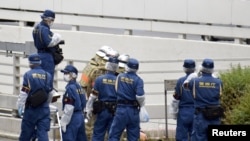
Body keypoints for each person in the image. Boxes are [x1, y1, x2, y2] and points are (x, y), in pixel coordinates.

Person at [183, 58, 223, 141]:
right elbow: (220, 94)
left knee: (199, 136)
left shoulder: (195, 81)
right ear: (212, 69)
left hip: (200, 116)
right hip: (215, 116)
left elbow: (185, 85)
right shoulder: (219, 82)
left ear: (201, 68)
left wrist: (196, 75)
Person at [16, 53, 53, 141]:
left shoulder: (28, 75)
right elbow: (51, 93)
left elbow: (24, 93)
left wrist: (20, 107)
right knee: (43, 135)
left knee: (26, 134)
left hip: (31, 110)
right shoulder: (48, 75)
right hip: (44, 110)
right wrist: (46, 104)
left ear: (31, 63)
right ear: (40, 62)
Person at [109, 58, 145, 141]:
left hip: (121, 109)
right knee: (133, 136)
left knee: (114, 135)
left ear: (127, 66)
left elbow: (116, 89)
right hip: (133, 111)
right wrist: (142, 105)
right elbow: (140, 96)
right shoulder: (139, 80)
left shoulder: (120, 77)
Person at [32, 9, 63, 102]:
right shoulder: (44, 29)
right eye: (52, 20)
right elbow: (48, 42)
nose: (52, 22)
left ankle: (40, 92)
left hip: (39, 54)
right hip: (46, 56)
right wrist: (57, 38)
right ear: (49, 19)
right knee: (48, 76)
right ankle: (48, 92)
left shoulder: (37, 27)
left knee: (39, 76)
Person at [86, 57, 119, 141]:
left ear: (107, 65)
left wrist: (88, 108)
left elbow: (93, 96)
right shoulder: (118, 81)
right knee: (113, 135)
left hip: (102, 111)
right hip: (115, 111)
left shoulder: (99, 79)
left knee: (98, 134)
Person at [60, 65, 88, 141]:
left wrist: (64, 121)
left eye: (67, 73)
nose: (64, 75)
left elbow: (69, 107)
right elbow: (84, 101)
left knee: (69, 138)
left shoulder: (70, 88)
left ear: (73, 75)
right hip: (80, 117)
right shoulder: (79, 87)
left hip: (72, 117)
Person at [172, 59, 196, 141]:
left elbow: (176, 97)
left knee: (182, 136)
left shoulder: (180, 81)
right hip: (196, 110)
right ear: (194, 68)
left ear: (184, 68)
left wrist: (174, 113)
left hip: (184, 111)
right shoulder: (198, 80)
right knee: (195, 135)